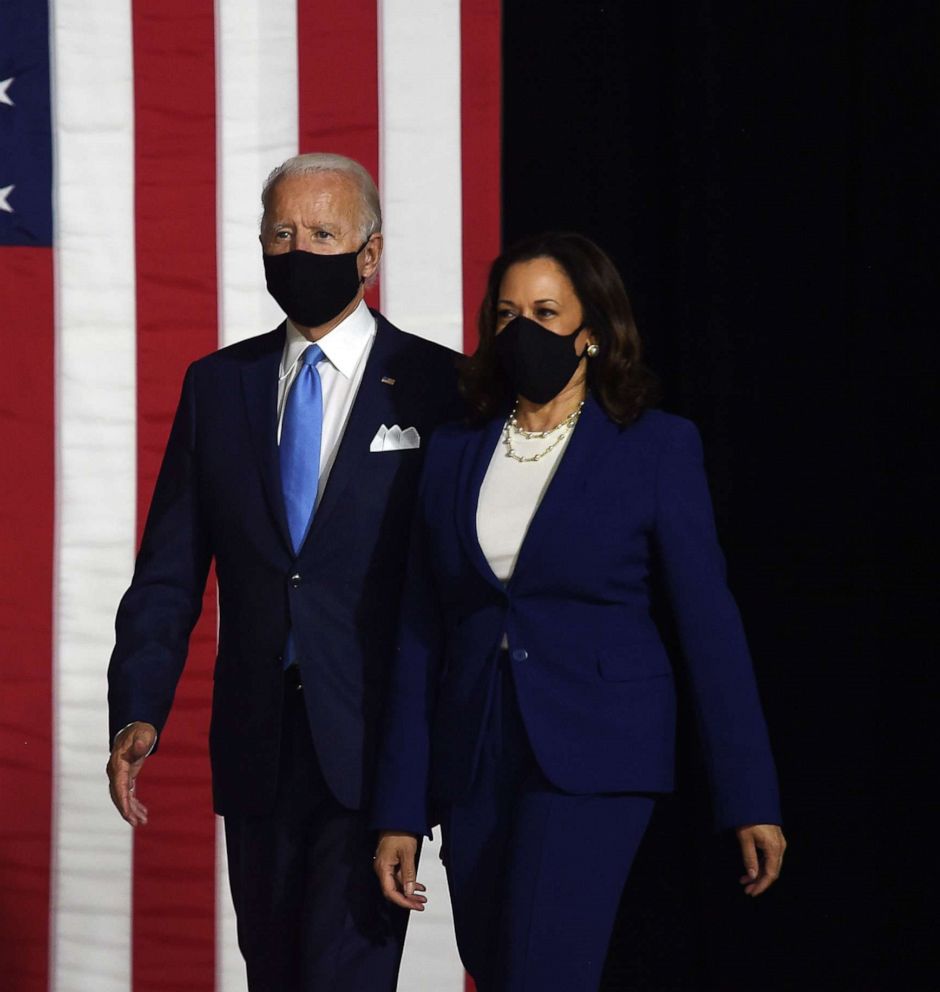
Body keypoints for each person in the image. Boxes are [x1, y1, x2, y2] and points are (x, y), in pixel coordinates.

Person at [372, 231, 786, 991]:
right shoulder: (455, 452)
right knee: (497, 968)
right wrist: (399, 808)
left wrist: (749, 793)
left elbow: (710, 627)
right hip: (474, 756)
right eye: (505, 314)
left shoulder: (655, 447)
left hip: (595, 753)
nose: (521, 330)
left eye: (545, 311)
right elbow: (419, 631)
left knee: (541, 971)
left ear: (590, 332)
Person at [106, 152, 461, 991]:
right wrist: (138, 709)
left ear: (369, 254)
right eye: (282, 234)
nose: (299, 250)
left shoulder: (441, 388)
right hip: (257, 746)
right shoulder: (215, 387)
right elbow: (168, 572)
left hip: (377, 747)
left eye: (323, 234)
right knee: (274, 973)